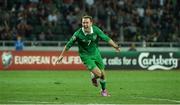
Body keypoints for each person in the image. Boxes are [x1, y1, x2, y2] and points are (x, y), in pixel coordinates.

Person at [56, 15, 120, 96]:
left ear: (91, 23)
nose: (85, 24)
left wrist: (116, 46)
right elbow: (68, 45)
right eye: (83, 22)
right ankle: (94, 78)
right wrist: (62, 55)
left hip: (96, 53)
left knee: (103, 75)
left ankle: (103, 91)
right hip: (85, 56)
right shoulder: (78, 33)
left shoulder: (96, 30)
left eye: (87, 23)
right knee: (99, 74)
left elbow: (106, 38)